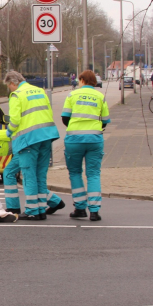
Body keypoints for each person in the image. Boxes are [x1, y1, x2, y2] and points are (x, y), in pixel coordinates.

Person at [4, 71, 60, 221]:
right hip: (47, 136)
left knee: (29, 176)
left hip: (29, 140)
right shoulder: (40, 91)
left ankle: (32, 210)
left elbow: (14, 120)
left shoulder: (17, 95)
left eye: (9, 86)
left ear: (12, 83)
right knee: (40, 175)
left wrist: (8, 133)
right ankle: (41, 208)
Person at [0, 129, 66, 215]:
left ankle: (14, 207)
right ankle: (55, 201)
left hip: (26, 147)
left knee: (10, 173)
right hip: (22, 151)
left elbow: (15, 134)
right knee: (27, 178)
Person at [61, 69, 110, 221]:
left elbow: (64, 118)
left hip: (74, 140)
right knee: (93, 174)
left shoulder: (72, 95)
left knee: (75, 172)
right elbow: (105, 120)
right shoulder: (100, 96)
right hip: (95, 139)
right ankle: (94, 211)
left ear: (82, 80)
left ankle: (80, 208)